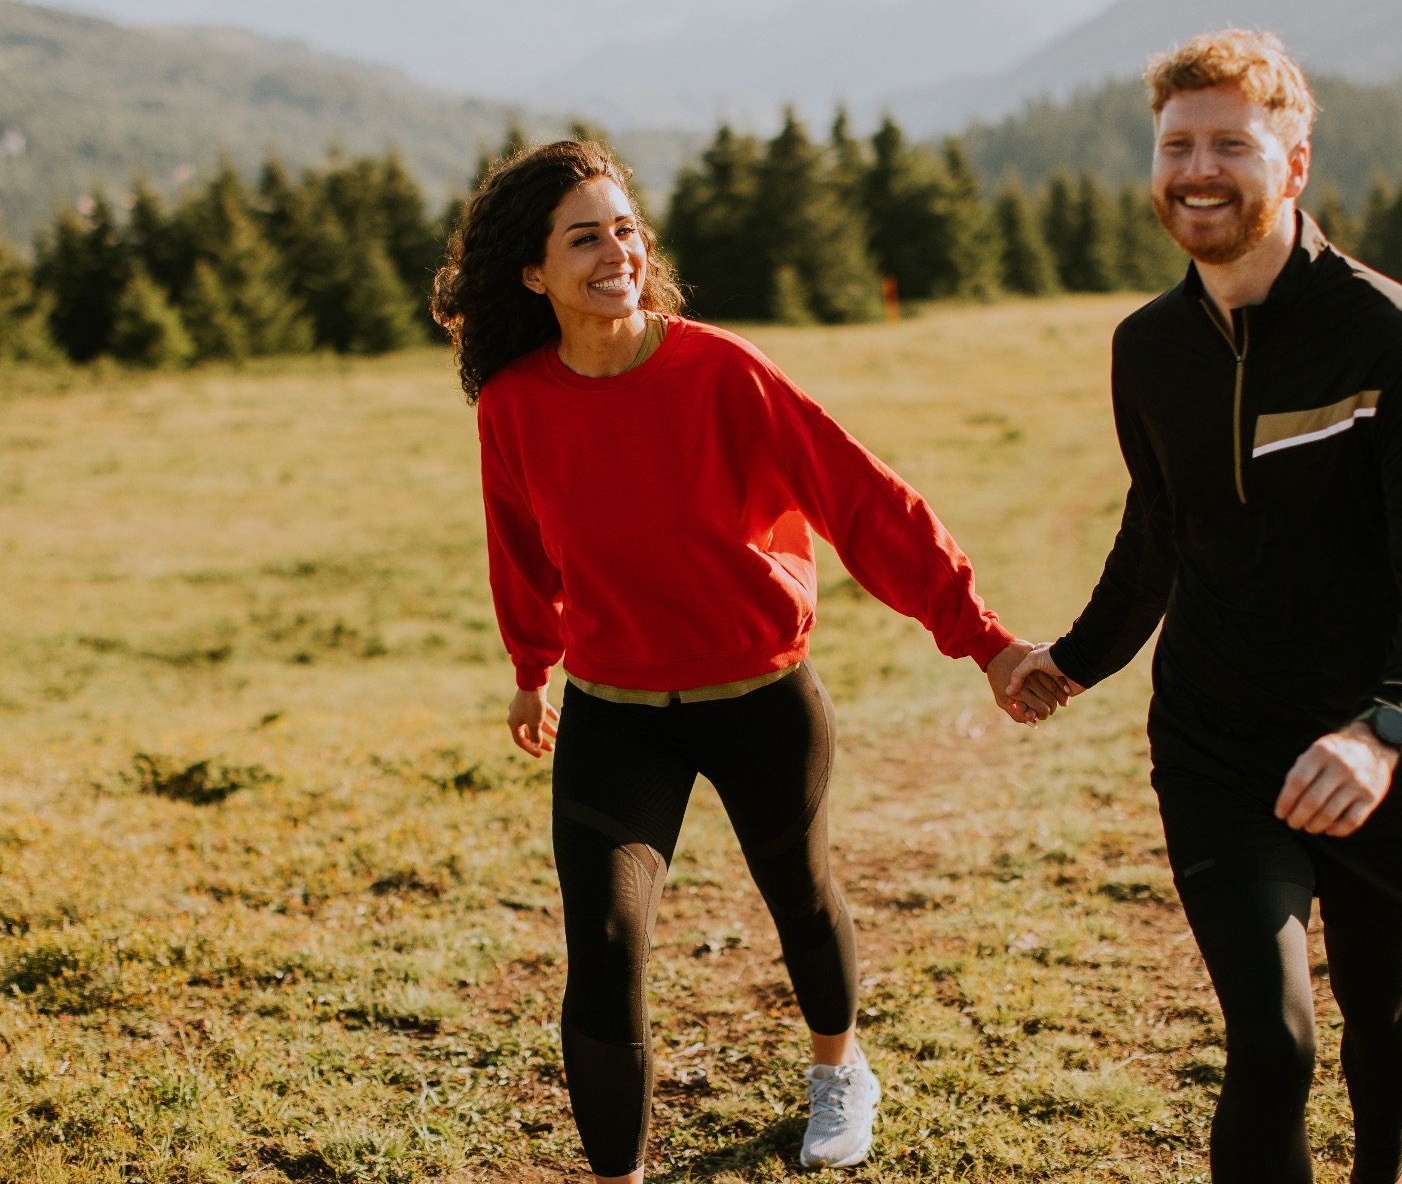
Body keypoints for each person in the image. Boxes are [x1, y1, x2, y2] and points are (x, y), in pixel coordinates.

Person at [430, 139, 1063, 1181]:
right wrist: (530, 666)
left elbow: (862, 504)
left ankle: (837, 1072)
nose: (615, 252)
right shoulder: (515, 403)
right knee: (602, 945)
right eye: (583, 238)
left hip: (758, 696)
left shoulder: (720, 371)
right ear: (532, 272)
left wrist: (984, 641)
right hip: (616, 712)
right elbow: (518, 544)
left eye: (625, 229)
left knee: (799, 895)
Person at [1006, 30, 1402, 1184]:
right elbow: (1160, 528)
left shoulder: (1383, 333)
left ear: (1295, 160)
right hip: (1216, 744)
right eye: (1177, 145)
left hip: (1375, 750)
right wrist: (1072, 660)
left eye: (1230, 142)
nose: (1197, 170)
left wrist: (1382, 735)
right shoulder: (1147, 347)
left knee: (1376, 1006)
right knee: (1271, 1043)